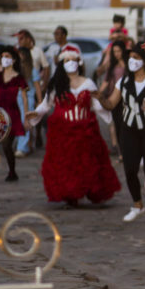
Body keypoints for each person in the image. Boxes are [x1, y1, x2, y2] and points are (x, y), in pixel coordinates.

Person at [27, 44, 121, 206]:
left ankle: (87, 190)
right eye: (67, 60)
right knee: (66, 165)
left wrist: (111, 117)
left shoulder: (88, 83)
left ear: (80, 62)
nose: (71, 62)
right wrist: (35, 114)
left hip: (86, 130)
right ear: (62, 64)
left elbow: (97, 105)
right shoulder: (57, 84)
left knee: (87, 163)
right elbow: (46, 105)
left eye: (74, 60)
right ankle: (71, 194)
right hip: (63, 131)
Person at [98, 42, 145, 223]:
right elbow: (112, 103)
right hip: (129, 130)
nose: (132, 61)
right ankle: (137, 205)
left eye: (136, 58)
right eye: (131, 57)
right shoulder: (124, 81)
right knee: (130, 170)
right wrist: (100, 98)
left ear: (144, 61)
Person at [0, 46, 28, 182]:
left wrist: (26, 117)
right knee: (3, 145)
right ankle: (12, 171)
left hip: (13, 114)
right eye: (3, 56)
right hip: (0, 114)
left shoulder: (19, 78)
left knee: (7, 144)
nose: (5, 59)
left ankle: (12, 172)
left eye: (8, 56)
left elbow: (24, 98)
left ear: (13, 60)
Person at [98, 40, 127, 160]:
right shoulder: (111, 66)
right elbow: (106, 81)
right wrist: (98, 93)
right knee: (118, 125)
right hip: (114, 97)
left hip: (127, 98)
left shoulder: (129, 65)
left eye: (118, 51)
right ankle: (121, 152)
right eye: (114, 51)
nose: (116, 53)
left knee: (127, 125)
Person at [14, 44, 40, 158]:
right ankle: (24, 145)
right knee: (19, 122)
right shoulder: (16, 69)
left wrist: (39, 101)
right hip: (16, 98)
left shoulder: (32, 70)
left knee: (26, 122)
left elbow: (37, 86)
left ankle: (22, 148)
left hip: (28, 99)